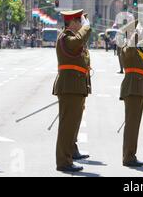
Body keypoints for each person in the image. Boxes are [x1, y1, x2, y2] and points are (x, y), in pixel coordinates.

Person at [53, 10, 92, 173]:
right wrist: (87, 27)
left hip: (74, 86)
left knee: (70, 126)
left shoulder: (69, 38)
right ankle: (63, 161)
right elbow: (77, 41)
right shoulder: (65, 37)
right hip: (70, 87)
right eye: (80, 21)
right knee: (67, 126)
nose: (81, 25)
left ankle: (67, 158)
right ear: (73, 22)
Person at [119, 21, 143, 168]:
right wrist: (136, 32)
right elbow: (131, 47)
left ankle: (130, 155)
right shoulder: (127, 48)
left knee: (133, 125)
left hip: (137, 88)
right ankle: (129, 157)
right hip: (133, 88)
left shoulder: (137, 49)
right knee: (132, 125)